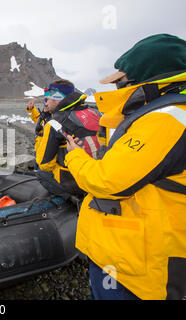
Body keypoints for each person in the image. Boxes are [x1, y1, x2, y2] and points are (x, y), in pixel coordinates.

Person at [64, 34, 186, 300]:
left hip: (137, 269)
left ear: (147, 81)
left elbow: (107, 180)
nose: (117, 88)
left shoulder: (165, 120)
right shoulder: (159, 115)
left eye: (121, 81)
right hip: (130, 256)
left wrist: (74, 157)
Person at [35, 79, 101, 200]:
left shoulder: (55, 123)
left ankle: (71, 199)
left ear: (57, 97)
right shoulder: (96, 112)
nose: (46, 102)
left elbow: (44, 164)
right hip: (99, 175)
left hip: (77, 182)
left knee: (40, 171)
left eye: (47, 97)